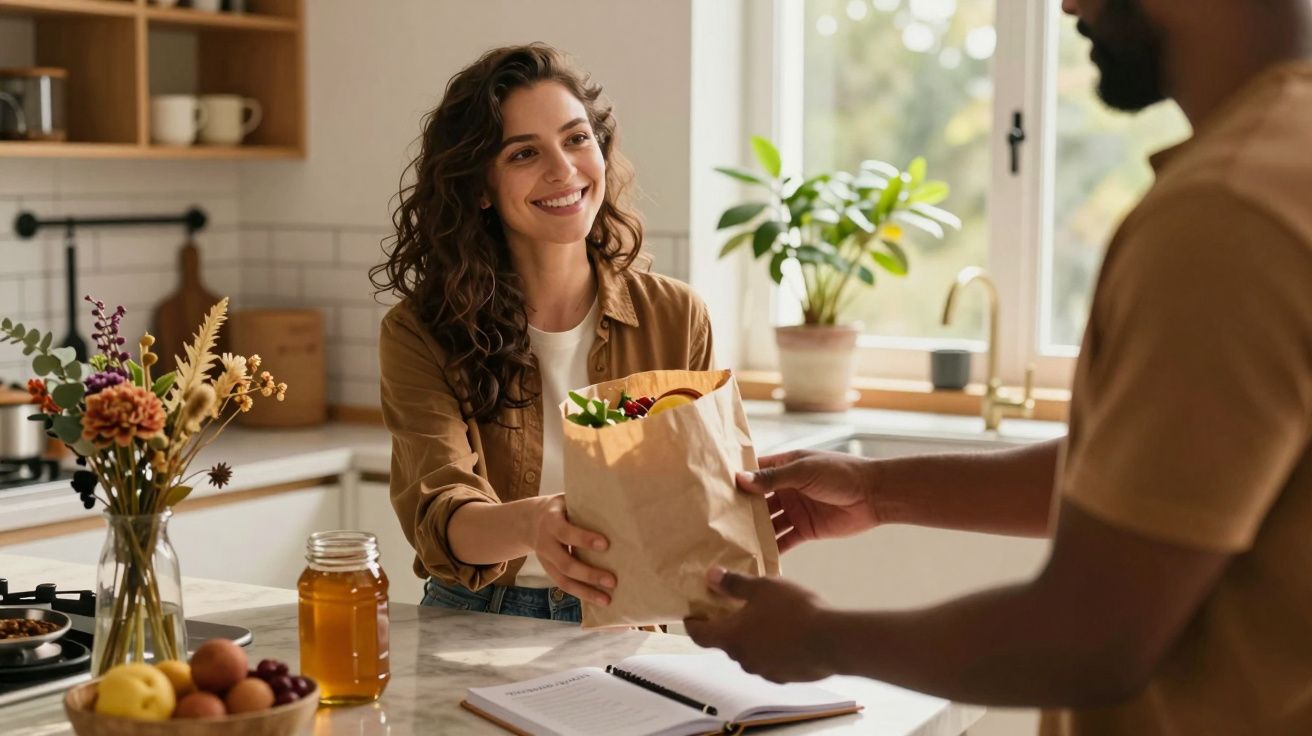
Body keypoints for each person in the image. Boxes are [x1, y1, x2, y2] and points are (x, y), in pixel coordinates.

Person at [684, 0, 1312, 733]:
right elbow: (1165, 479)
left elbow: (1092, 636)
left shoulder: (1222, 216)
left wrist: (822, 638)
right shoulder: (1285, 161)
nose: (1068, 4)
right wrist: (880, 490)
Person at [372, 44, 714, 623]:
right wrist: (535, 524)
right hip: (479, 618)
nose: (564, 170)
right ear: (480, 188)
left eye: (577, 139)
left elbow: (698, 490)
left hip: (634, 616)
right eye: (524, 153)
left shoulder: (677, 316)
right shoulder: (420, 332)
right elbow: (440, 519)